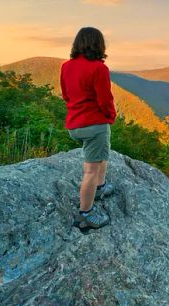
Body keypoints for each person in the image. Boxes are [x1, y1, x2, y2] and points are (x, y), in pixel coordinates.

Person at [60, 27, 116, 231]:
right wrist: (110, 116)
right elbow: (105, 99)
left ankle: (100, 188)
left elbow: (66, 95)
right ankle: (85, 214)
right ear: (99, 44)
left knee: (102, 154)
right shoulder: (99, 69)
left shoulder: (66, 66)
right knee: (90, 171)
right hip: (93, 124)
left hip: (74, 123)